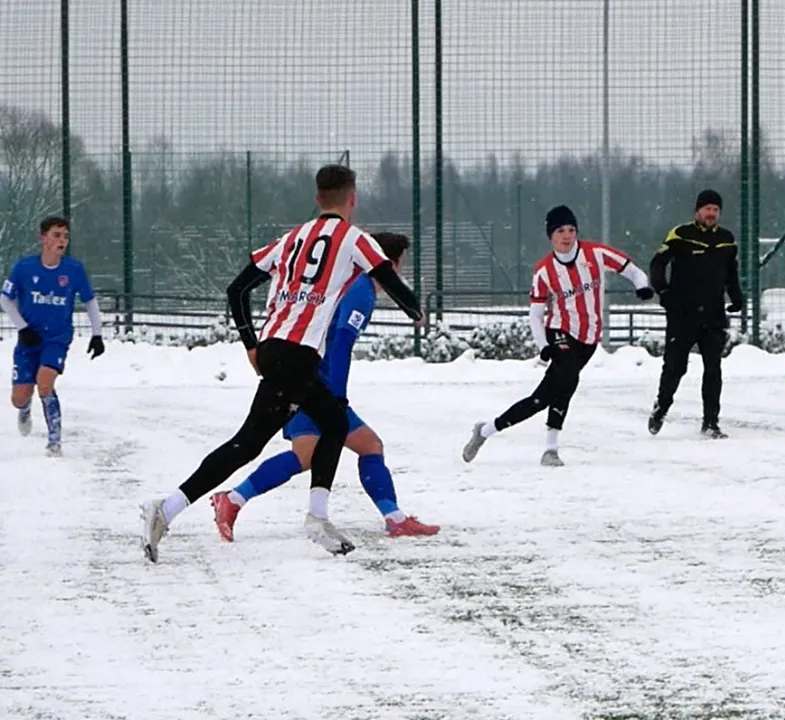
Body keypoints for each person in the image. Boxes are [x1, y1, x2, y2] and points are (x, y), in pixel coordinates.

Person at [139, 165, 426, 562]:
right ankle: (170, 508)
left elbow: (237, 289)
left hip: (275, 347)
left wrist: (250, 344)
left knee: (321, 424)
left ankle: (313, 517)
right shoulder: (353, 239)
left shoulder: (291, 238)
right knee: (253, 442)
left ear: (317, 197)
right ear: (352, 198)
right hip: (299, 352)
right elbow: (390, 281)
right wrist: (416, 310)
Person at [209, 232, 439, 541]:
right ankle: (233, 499)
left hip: (312, 379)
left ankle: (394, 518)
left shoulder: (355, 285)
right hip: (314, 384)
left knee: (363, 446)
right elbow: (342, 341)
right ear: (390, 264)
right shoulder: (361, 291)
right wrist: (338, 398)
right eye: (400, 265)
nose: (400, 273)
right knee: (307, 455)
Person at [462, 205, 653, 466]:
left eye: (571, 229)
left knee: (552, 393)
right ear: (550, 235)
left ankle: (486, 431)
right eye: (560, 230)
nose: (567, 235)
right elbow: (535, 314)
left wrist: (642, 286)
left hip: (589, 337)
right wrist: (544, 346)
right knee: (562, 380)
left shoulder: (595, 254)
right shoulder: (544, 270)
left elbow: (631, 269)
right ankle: (549, 450)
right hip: (560, 331)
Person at [0, 216, 105, 456]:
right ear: (43, 238)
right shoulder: (24, 267)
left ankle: (54, 442)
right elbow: (5, 299)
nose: (62, 241)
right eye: (57, 235)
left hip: (56, 339)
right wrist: (23, 328)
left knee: (45, 384)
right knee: (19, 396)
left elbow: (90, 301)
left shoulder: (74, 270)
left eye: (65, 236)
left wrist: (97, 334)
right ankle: (24, 409)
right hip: (29, 340)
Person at [646, 189, 744, 439]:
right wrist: (663, 291)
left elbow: (731, 273)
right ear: (697, 211)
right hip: (683, 313)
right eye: (707, 209)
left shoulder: (727, 239)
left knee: (713, 368)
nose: (711, 214)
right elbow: (658, 263)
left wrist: (736, 298)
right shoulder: (681, 235)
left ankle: (711, 422)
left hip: (713, 313)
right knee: (676, 368)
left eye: (716, 210)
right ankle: (661, 406)